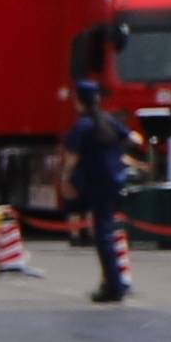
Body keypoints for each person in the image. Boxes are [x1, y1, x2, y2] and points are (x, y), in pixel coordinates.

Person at [66, 71, 138, 303]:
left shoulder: (83, 125)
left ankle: (113, 285)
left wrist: (65, 179)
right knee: (106, 230)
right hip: (115, 180)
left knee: (103, 235)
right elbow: (134, 138)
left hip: (97, 183)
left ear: (79, 100)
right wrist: (119, 152)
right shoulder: (108, 120)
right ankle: (112, 281)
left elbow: (72, 158)